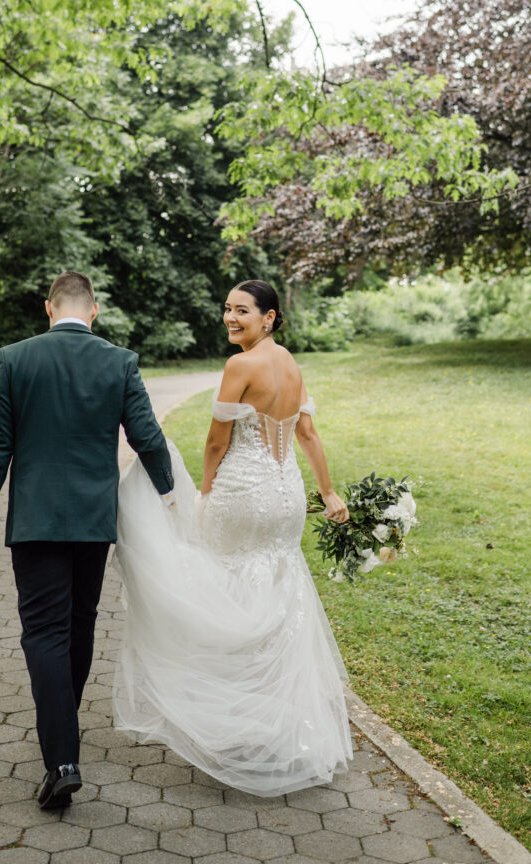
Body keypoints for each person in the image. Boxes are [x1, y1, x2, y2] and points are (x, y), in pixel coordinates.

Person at [113, 279, 354, 796]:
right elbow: (307, 434)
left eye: (242, 310)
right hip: (285, 496)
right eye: (227, 308)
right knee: (279, 595)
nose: (231, 317)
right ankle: (278, 721)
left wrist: (203, 495)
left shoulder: (240, 366)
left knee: (222, 597)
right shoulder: (290, 363)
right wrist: (328, 493)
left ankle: (236, 719)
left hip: (243, 495)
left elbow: (217, 440)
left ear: (269, 317)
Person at [0, 271, 174, 809]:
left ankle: (61, 758)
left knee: (44, 633)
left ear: (48, 307)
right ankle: (64, 730)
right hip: (93, 522)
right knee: (78, 625)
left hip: (34, 522)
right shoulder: (119, 361)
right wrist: (171, 498)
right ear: (95, 310)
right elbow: (147, 438)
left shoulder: (15, 358)